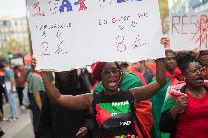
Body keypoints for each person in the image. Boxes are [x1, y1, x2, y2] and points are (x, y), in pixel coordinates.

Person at [32, 57, 166, 137]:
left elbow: (160, 82)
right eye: (106, 72)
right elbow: (57, 98)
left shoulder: (132, 94)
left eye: (115, 71)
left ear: (120, 75)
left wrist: (159, 57)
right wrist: (43, 72)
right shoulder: (91, 99)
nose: (111, 75)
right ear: (100, 78)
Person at [159, 52, 208, 138]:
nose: (199, 73)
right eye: (194, 71)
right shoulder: (176, 95)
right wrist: (175, 109)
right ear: (184, 75)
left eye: (201, 70)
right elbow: (163, 127)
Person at [37, 70, 92, 138]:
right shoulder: (50, 93)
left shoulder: (83, 89)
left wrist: (87, 127)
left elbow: (90, 117)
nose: (63, 72)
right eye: (60, 69)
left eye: (66, 69)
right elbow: (44, 123)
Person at [151, 49, 183, 138]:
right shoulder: (157, 82)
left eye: (173, 59)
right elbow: (157, 109)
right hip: (162, 124)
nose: (171, 61)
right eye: (168, 59)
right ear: (162, 61)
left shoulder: (180, 77)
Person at [27, 69, 46, 136]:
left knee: (36, 123)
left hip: (35, 104)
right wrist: (42, 108)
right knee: (38, 123)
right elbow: (36, 94)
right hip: (37, 104)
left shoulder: (32, 74)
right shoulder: (36, 77)